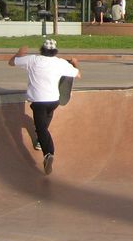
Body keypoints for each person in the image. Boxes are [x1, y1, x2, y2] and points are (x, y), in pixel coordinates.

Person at [9, 39, 80, 175]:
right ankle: (39, 142)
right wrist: (74, 64)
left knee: (41, 129)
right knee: (45, 121)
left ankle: (49, 154)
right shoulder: (60, 63)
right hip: (53, 101)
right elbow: (78, 74)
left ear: (42, 49)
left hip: (39, 102)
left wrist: (20, 53)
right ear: (55, 51)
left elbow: (11, 62)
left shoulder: (32, 60)